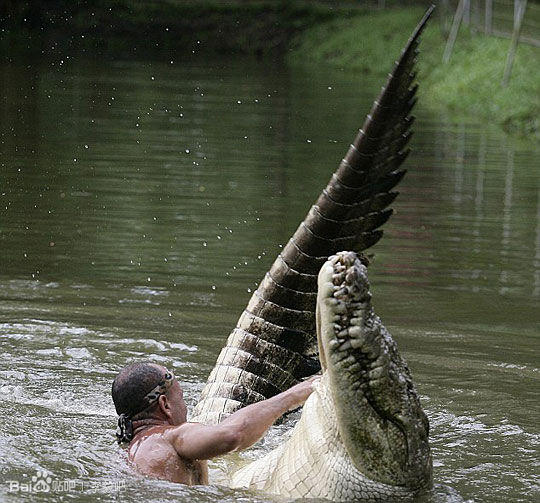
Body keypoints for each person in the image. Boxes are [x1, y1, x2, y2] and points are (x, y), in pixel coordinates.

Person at [111, 361, 318, 485]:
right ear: (165, 404)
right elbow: (232, 435)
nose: (185, 406)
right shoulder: (171, 438)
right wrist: (294, 395)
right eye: (181, 397)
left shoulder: (130, 452)